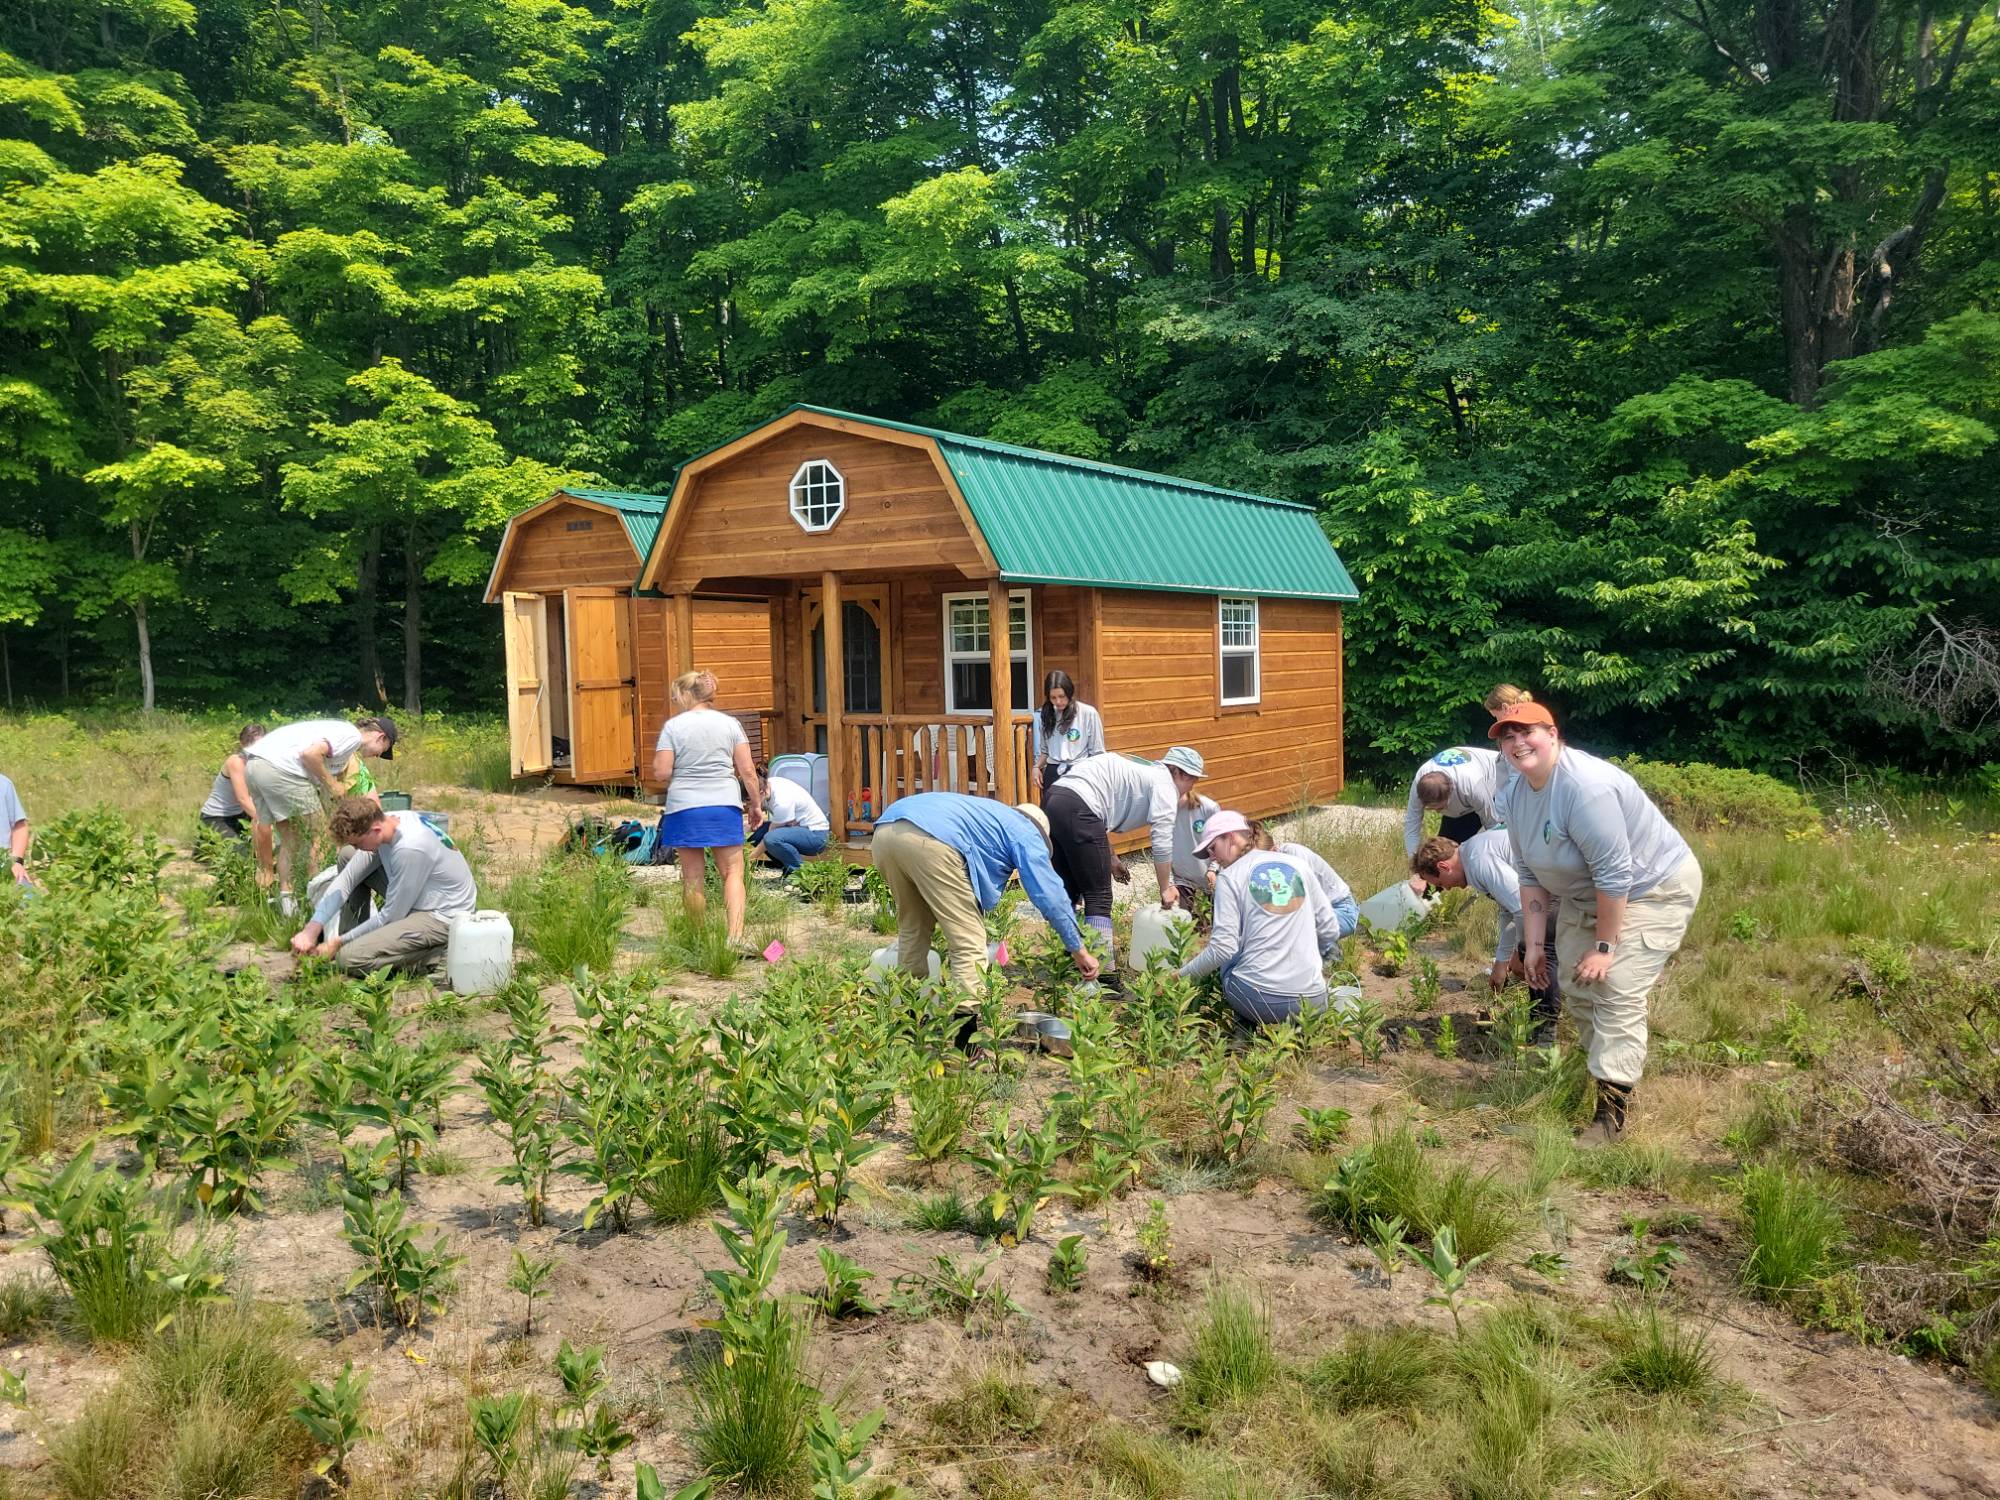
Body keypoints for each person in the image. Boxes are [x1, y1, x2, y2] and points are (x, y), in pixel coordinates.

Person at [1493, 700, 1702, 1147]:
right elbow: (1528, 873)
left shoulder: (1585, 788)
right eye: (1506, 737)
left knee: (1614, 990)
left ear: (1552, 733)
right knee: (1577, 988)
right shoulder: (1515, 792)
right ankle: (1603, 1086)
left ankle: (1609, 1122)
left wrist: (1605, 948)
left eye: (1526, 732)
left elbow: (1616, 875)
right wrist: (1532, 946)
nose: (1516, 743)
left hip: (1650, 891)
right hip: (1584, 896)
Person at [871, 793, 1101, 992]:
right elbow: (1049, 895)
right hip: (931, 842)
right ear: (1040, 832)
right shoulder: (1025, 832)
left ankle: (909, 1022)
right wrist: (1078, 949)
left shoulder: (992, 817)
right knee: (968, 942)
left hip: (885, 833)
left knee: (914, 927)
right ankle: (966, 1036)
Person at [1179, 812, 1342, 1026]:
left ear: (1230, 837)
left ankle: (1244, 1029)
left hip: (1262, 1002)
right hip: (1314, 1001)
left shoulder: (1229, 877)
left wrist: (1181, 975)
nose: (1212, 858)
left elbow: (1222, 949)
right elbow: (1330, 930)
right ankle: (1300, 1032)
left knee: (1231, 957)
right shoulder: (1297, 864)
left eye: (1212, 848)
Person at [1043, 747, 1206, 956]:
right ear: (1181, 773)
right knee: (1099, 896)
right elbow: (1162, 840)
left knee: (1070, 890)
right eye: (1194, 780)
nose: (1193, 787)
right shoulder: (1165, 784)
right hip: (1080, 806)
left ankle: (1067, 960)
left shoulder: (1144, 771)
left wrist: (1110, 858)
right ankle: (1102, 974)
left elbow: (1096, 814)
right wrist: (1166, 886)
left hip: (1054, 799)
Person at [289, 797, 477, 975]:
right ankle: (354, 941)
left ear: (375, 830)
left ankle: (434, 956)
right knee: (347, 856)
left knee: (350, 959)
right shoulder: (387, 822)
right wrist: (311, 930)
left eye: (359, 843)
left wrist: (337, 943)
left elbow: (391, 916)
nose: (357, 848)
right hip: (418, 894)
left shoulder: (409, 848)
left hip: (441, 915)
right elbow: (347, 879)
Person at [1410, 831, 1560, 1037]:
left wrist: (1519, 953)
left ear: (1443, 867)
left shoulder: (1479, 861)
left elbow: (1520, 907)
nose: (1444, 888)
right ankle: (1540, 1026)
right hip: (1543, 889)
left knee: (1539, 954)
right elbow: (1508, 910)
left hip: (1555, 885)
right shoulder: (1473, 856)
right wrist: (1501, 963)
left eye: (1439, 884)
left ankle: (1544, 1035)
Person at [243, 715, 398, 912]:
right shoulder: (351, 736)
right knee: (319, 836)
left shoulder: (339, 738)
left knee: (291, 838)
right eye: (381, 752)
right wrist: (333, 785)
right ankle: (318, 903)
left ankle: (288, 905)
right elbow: (309, 755)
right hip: (281, 770)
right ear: (381, 737)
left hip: (255, 766)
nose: (376, 757)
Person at [652, 670, 763, 943]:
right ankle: (735, 938)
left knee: (692, 876)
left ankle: (698, 938)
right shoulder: (730, 724)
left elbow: (662, 772)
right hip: (722, 804)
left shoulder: (673, 727)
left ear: (687, 695)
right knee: (732, 872)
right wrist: (756, 805)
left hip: (684, 806)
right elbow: (747, 770)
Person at [1248, 820, 1359, 938]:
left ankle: (1329, 951)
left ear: (1274, 850)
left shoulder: (1294, 855)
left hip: (1341, 910)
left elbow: (1299, 908)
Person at [1403, 744, 1508, 855]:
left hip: (1500, 779)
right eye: (1431, 809)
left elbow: (1492, 826)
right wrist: (1415, 866)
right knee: (1443, 854)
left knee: (1476, 851)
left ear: (1451, 793)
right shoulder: (1419, 783)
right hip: (1466, 792)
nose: (1438, 812)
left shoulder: (1472, 787)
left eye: (1441, 807)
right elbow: (1411, 827)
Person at [198, 724, 270, 854]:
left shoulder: (262, 762)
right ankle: (205, 843)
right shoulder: (236, 762)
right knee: (242, 857)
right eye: (250, 744)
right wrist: (265, 820)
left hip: (240, 815)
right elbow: (243, 799)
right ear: (242, 743)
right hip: (217, 817)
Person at [1031, 670, 1105, 796]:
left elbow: (1097, 753)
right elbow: (1045, 751)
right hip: (1053, 773)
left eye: (1061, 696)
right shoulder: (1046, 714)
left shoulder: (1088, 713)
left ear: (1069, 692)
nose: (1058, 702)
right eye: (1053, 698)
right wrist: (1036, 767)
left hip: (1079, 772)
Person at [755, 762, 830, 876]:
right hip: (799, 829)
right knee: (758, 833)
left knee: (771, 838)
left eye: (748, 800)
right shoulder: (770, 783)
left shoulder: (781, 800)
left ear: (761, 792)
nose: (746, 805)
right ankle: (787, 868)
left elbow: (769, 837)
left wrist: (749, 858)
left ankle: (799, 874)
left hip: (816, 836)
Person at [1169, 784, 1222, 911]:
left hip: (1210, 875)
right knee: (1180, 923)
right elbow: (1162, 850)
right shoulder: (1163, 812)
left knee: (1214, 922)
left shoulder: (1208, 808)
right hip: (1182, 878)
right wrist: (1169, 883)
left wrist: (1213, 869)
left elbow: (1220, 841)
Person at [1, 771, 30, 888]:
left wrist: (17, 862)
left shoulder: (4, 784)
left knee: (30, 900)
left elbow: (20, 826)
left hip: (4, 864)